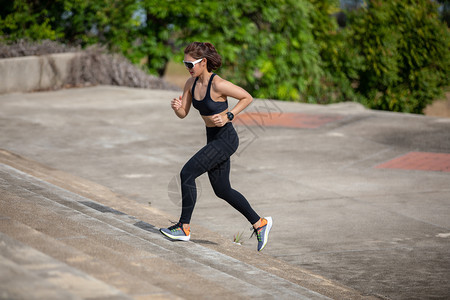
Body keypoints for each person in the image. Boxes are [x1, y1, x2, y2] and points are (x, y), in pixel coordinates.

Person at [160, 42, 272, 251]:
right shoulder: (190, 84)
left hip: (226, 139)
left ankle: (183, 227)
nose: (187, 67)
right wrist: (176, 108)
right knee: (222, 189)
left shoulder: (218, 84)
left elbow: (247, 97)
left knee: (187, 173)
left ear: (203, 63)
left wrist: (229, 114)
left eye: (190, 64)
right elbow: (183, 113)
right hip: (213, 138)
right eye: (185, 64)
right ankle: (260, 223)